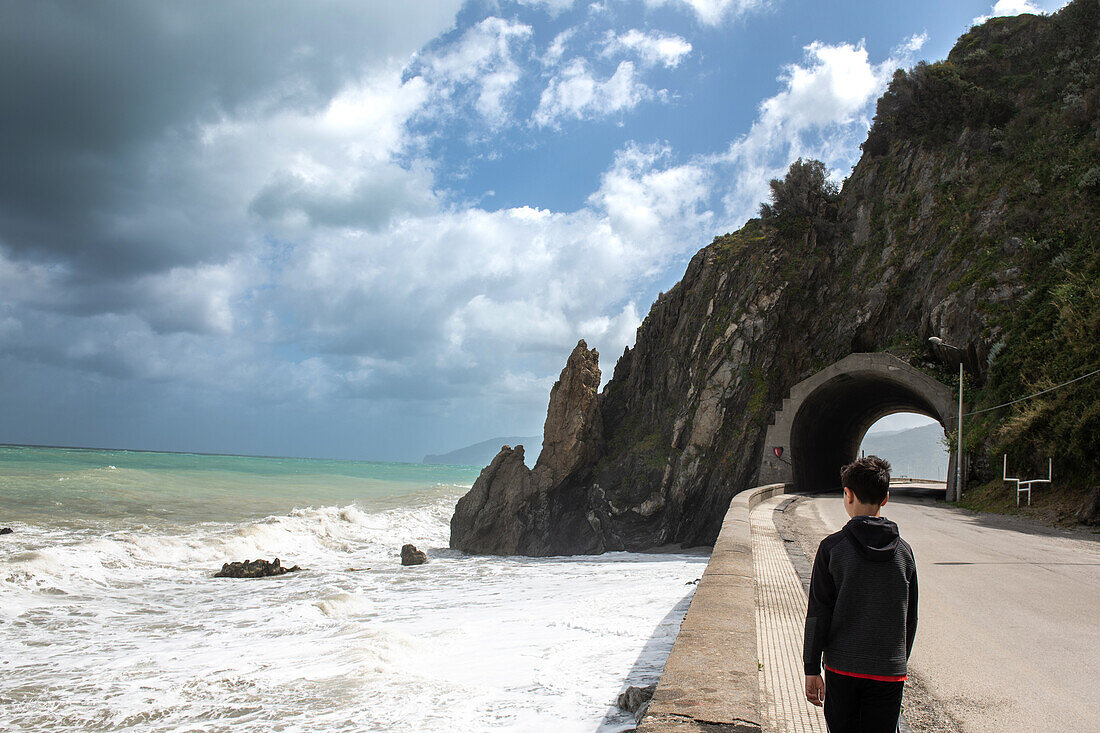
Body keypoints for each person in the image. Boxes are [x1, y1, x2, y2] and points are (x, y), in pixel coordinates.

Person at [802, 455, 918, 733]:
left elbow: (819, 612)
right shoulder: (904, 552)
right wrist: (898, 660)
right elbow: (909, 617)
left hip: (842, 668)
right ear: (886, 498)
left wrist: (811, 668)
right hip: (889, 671)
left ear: (848, 494)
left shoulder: (832, 548)